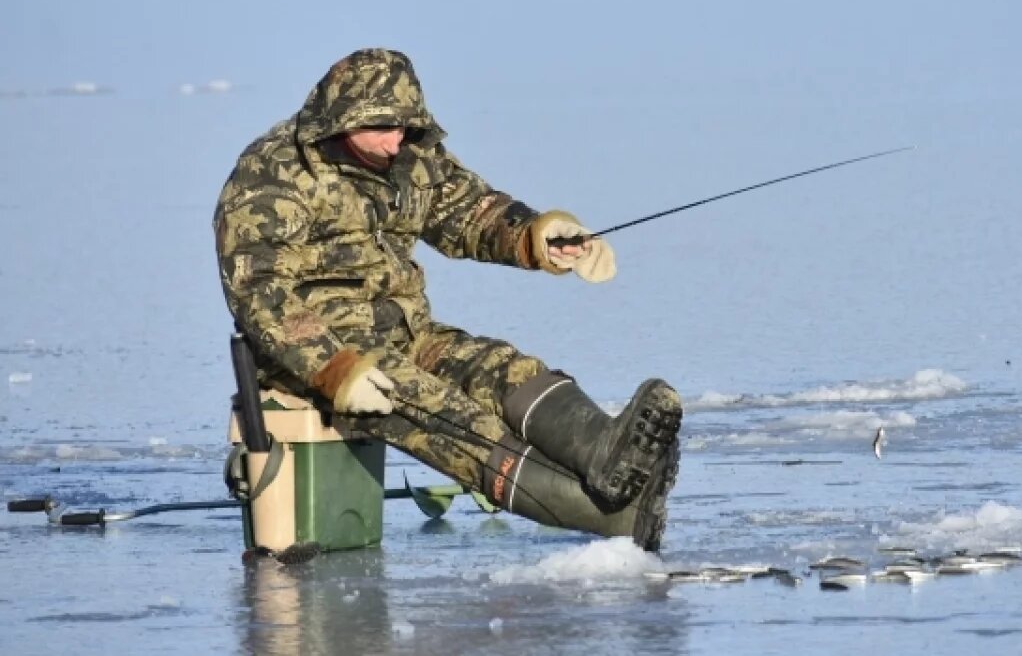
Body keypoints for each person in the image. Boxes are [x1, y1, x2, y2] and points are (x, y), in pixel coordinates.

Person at [213, 48, 682, 550]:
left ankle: (606, 452)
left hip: (407, 335)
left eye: (406, 128)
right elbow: (257, 289)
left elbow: (469, 212)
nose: (397, 143)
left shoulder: (409, 155)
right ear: (342, 118)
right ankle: (610, 517)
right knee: (452, 417)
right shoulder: (272, 174)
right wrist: (333, 367)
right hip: (323, 358)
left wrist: (537, 237)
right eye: (383, 129)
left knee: (505, 368)